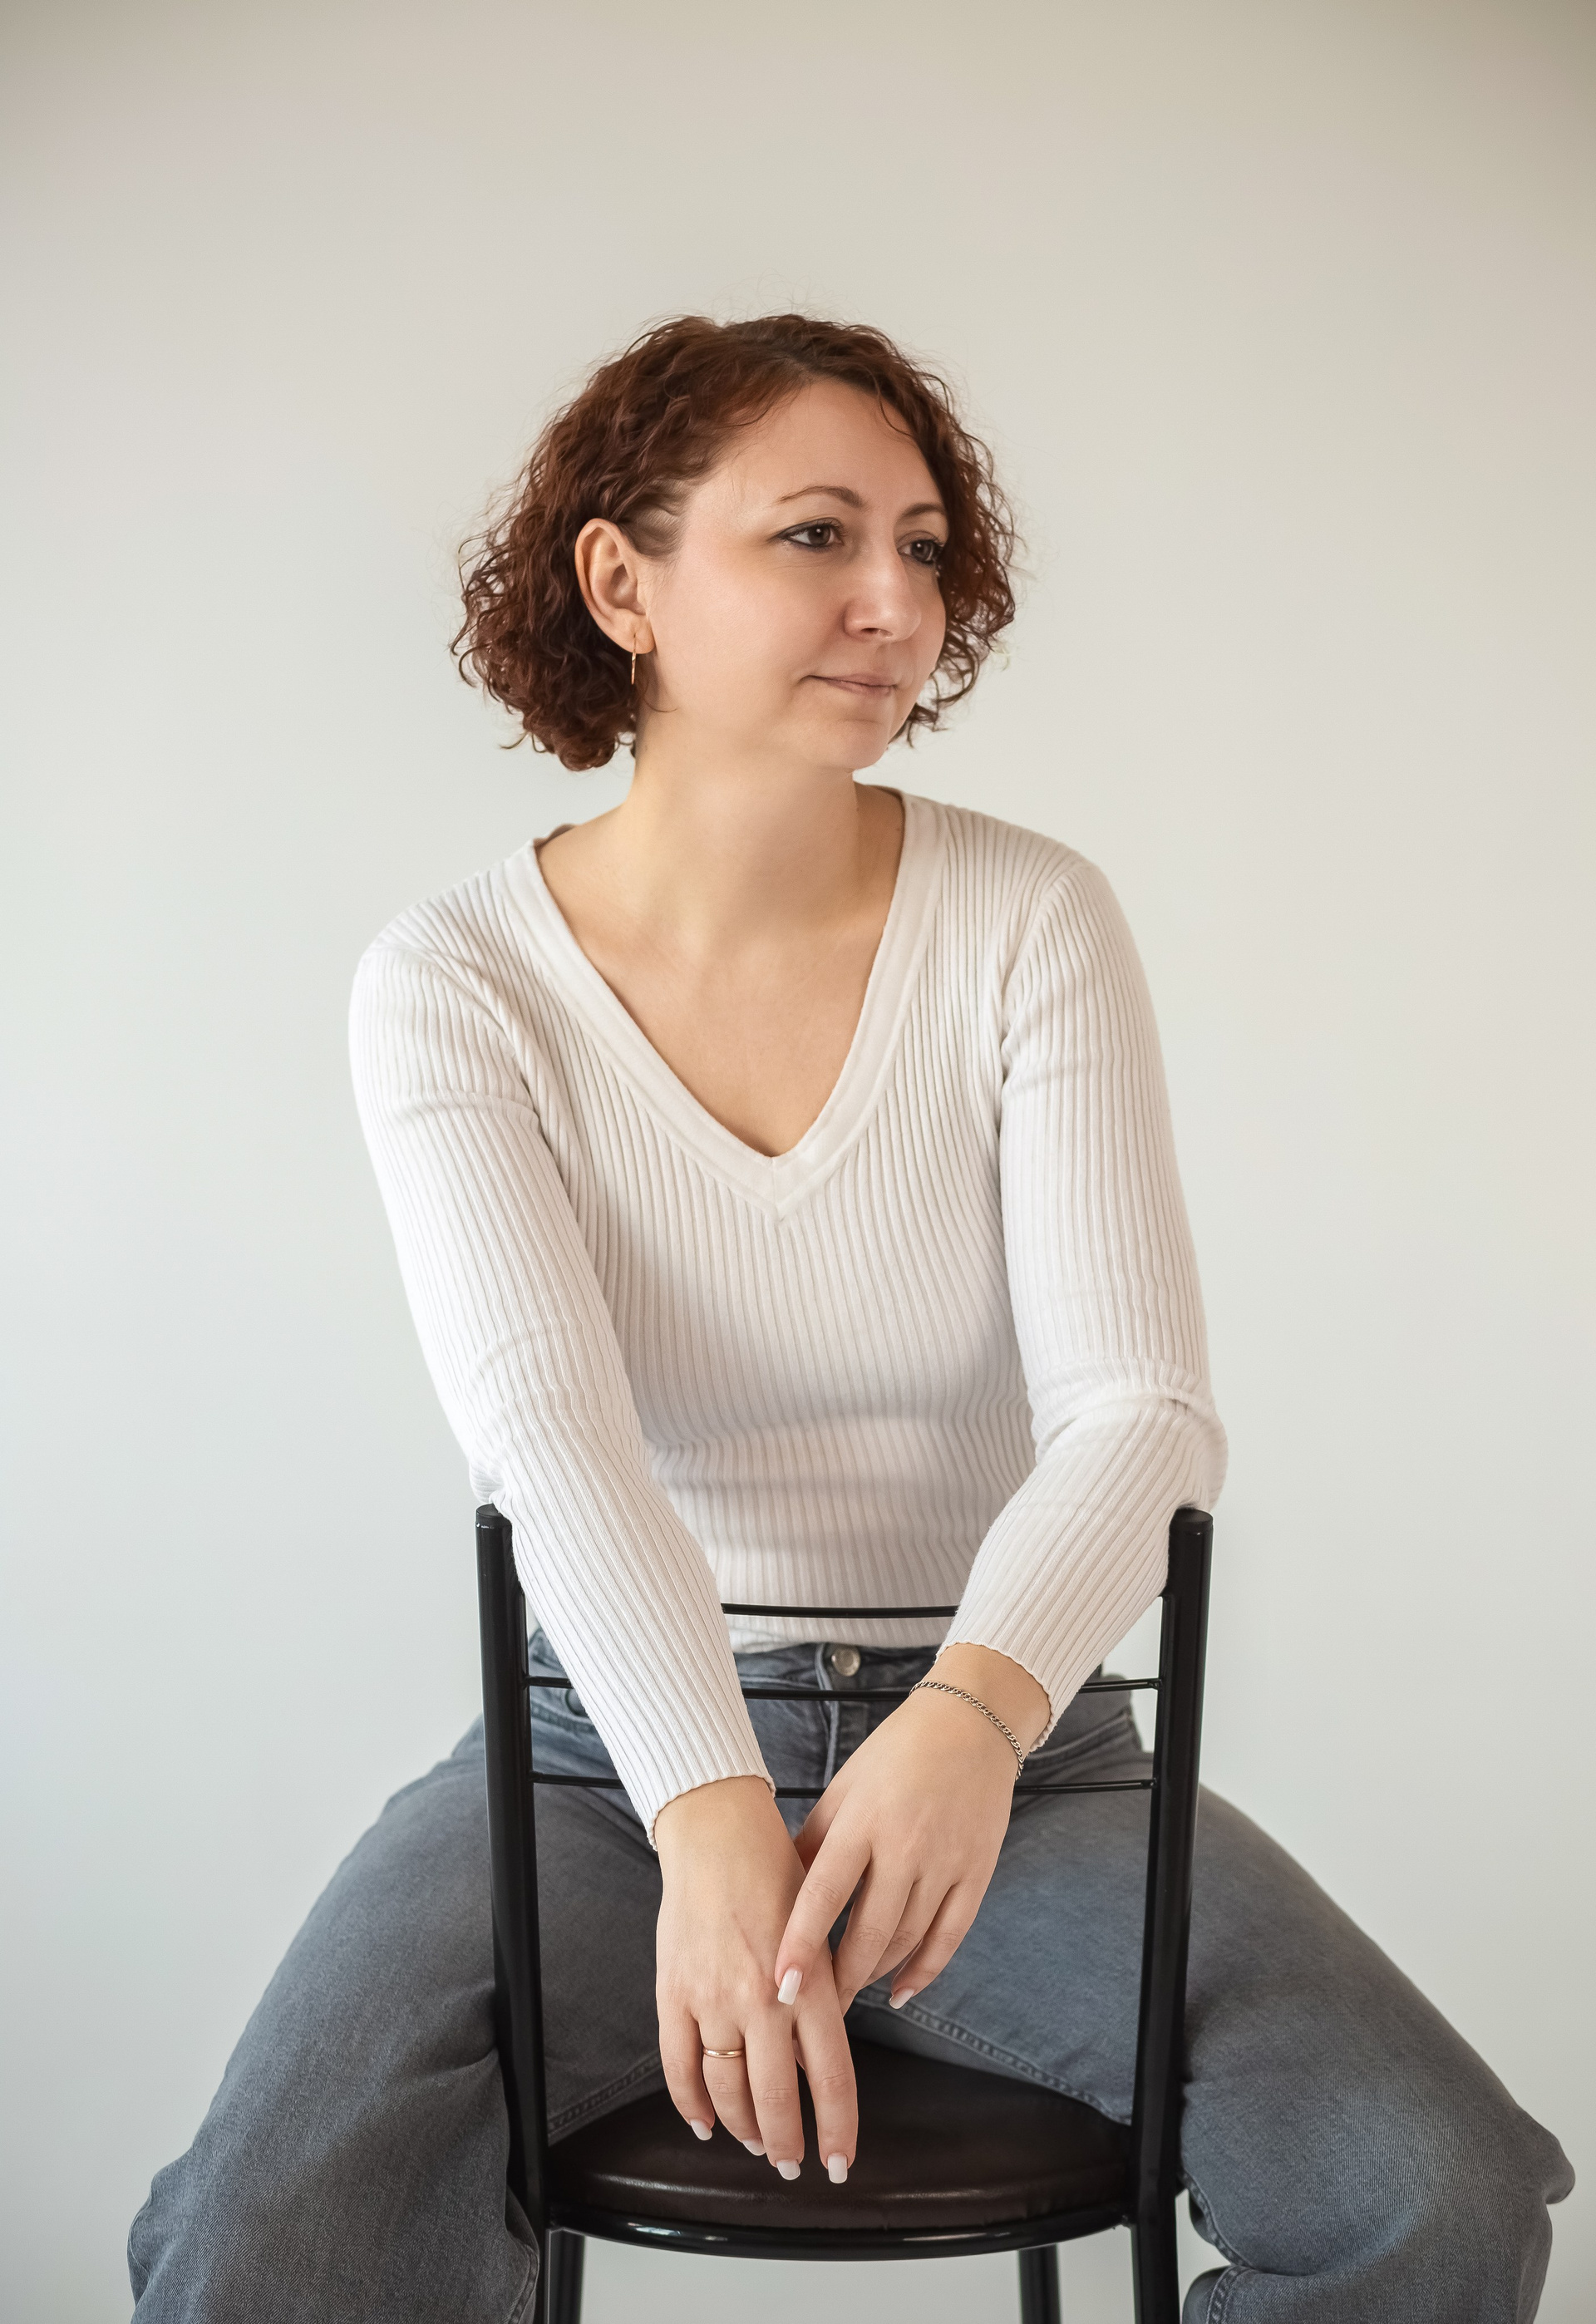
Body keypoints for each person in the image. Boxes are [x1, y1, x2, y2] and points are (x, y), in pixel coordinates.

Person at [127, 313, 1571, 2322]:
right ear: (621, 581)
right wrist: (714, 1815)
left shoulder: (1030, 917)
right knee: (254, 2246)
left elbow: (1142, 1413)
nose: (896, 602)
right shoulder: (456, 980)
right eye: (815, 535)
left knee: (1441, 2196)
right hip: (600, 1763)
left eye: (923, 546)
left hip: (1018, 1759)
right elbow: (552, 1447)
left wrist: (968, 1722)